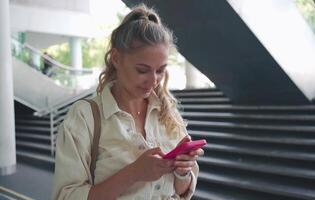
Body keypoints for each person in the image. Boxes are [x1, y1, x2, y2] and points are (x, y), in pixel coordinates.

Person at [52, 4, 204, 200]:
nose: (153, 80)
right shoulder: (84, 117)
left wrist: (182, 171)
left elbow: (182, 192)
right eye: (142, 70)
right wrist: (133, 173)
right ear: (116, 58)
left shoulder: (168, 114)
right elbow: (65, 196)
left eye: (160, 70)